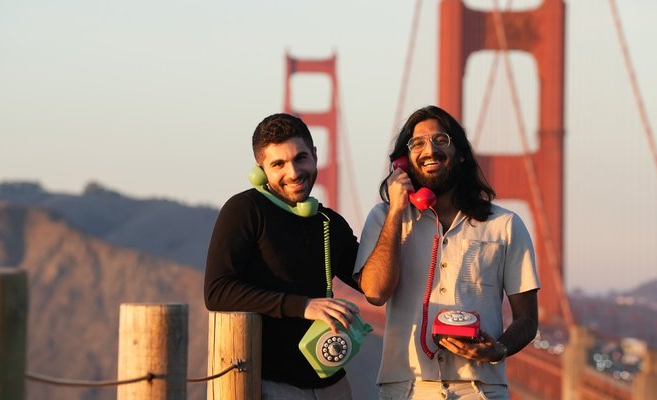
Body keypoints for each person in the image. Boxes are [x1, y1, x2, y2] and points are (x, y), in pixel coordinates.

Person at [354, 105, 539, 399]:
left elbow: (527, 319)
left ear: (461, 154)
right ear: (403, 162)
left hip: (480, 389)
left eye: (441, 140)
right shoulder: (383, 218)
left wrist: (498, 350)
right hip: (407, 388)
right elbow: (375, 293)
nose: (430, 150)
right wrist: (396, 211)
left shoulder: (504, 225)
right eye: (417, 143)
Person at [204, 112, 362, 399]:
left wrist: (395, 211)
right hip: (271, 384)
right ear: (260, 170)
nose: (293, 172)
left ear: (315, 155)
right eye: (278, 164)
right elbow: (217, 291)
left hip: (334, 385)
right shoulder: (244, 210)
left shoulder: (329, 222)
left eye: (301, 158)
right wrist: (303, 306)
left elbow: (373, 284)